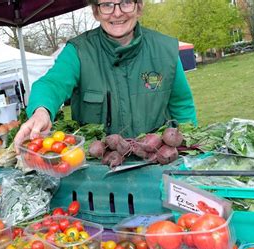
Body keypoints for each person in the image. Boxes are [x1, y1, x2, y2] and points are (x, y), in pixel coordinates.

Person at [14, 0, 197, 151]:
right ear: (96, 12)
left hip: (156, 162)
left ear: (139, 7)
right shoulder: (79, 52)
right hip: (99, 169)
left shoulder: (165, 50)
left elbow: (182, 106)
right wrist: (41, 111)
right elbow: (52, 84)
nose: (117, 13)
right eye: (107, 4)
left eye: (125, 3)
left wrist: (189, 149)